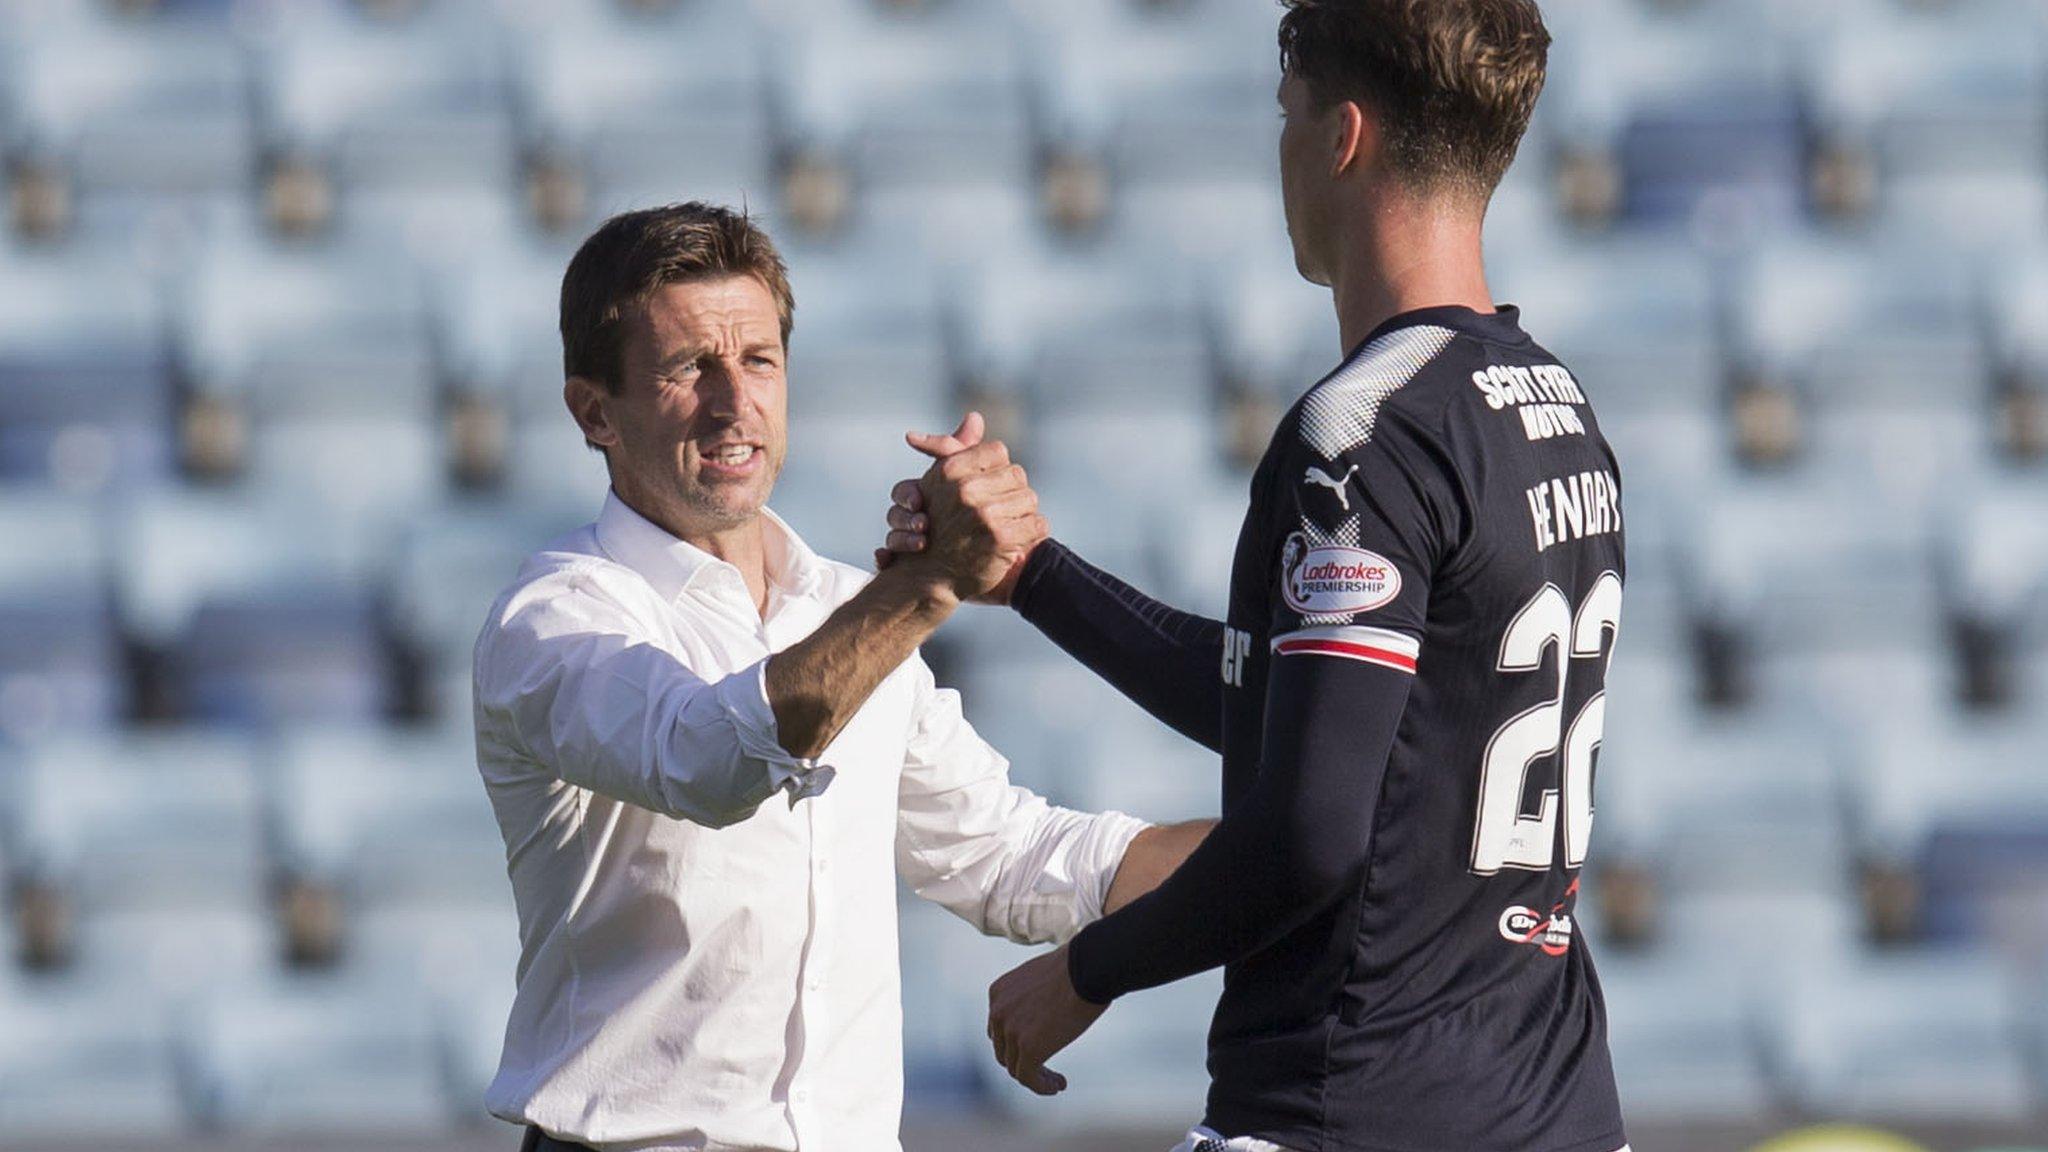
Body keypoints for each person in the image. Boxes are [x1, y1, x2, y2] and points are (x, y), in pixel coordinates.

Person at [884, 2, 1631, 1150]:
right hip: (1557, 1112)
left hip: (1354, 1103)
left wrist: (1086, 971)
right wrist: (1035, 577)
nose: (1277, 151)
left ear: (1339, 137)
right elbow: (1322, 717)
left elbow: (1310, 831)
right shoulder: (1557, 408)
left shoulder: (1366, 429)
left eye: (1283, 118)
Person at [470, 202, 1210, 1152]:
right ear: (594, 412)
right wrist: (929, 584)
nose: (734, 404)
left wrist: (1322, 841)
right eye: (688, 367)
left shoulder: (847, 607)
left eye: (759, 361)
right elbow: (706, 761)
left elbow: (1009, 854)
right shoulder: (557, 616)